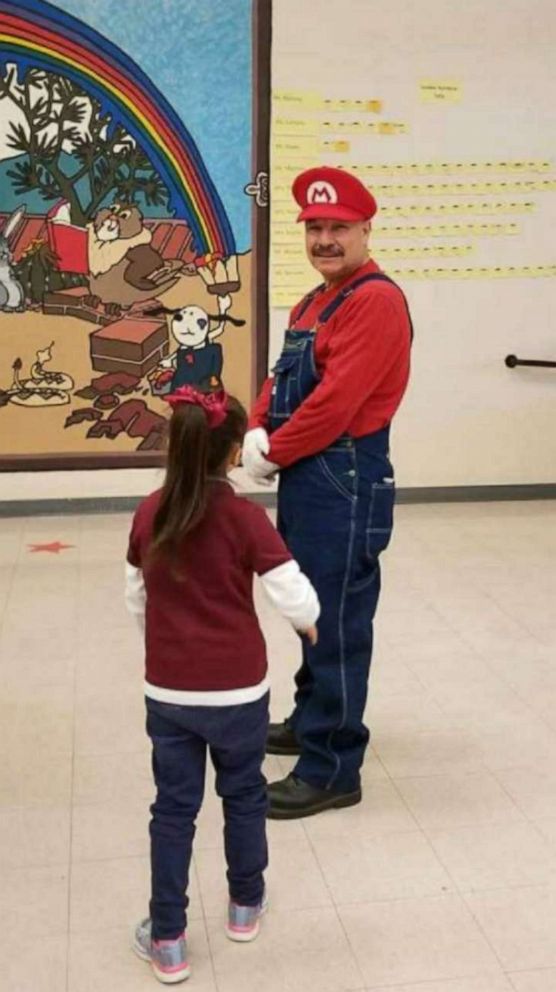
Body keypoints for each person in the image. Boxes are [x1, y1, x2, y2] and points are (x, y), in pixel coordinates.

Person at [125, 385, 319, 984]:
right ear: (234, 453)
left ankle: (168, 939)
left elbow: (136, 597)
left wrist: (162, 644)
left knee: (173, 812)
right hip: (239, 694)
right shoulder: (243, 517)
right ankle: (243, 905)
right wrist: (307, 622)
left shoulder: (149, 512)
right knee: (244, 796)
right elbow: (290, 586)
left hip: (171, 693)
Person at [242, 165, 413, 820]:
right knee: (312, 608)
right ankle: (310, 719)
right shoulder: (314, 302)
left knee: (338, 621)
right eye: (315, 228)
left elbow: (335, 405)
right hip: (310, 475)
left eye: (338, 227)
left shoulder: (375, 301)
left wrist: (273, 451)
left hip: (344, 476)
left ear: (366, 229)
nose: (324, 240)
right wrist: (257, 429)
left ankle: (333, 765)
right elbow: (281, 379)